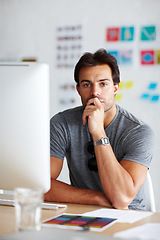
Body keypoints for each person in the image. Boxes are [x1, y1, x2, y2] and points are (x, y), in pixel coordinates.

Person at [45, 48, 155, 210]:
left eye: (103, 84)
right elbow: (41, 186)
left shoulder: (139, 131)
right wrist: (96, 198)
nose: (94, 92)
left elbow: (121, 199)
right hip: (82, 209)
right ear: (78, 90)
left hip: (129, 216)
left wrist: (98, 132)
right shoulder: (62, 123)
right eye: (86, 84)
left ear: (116, 88)